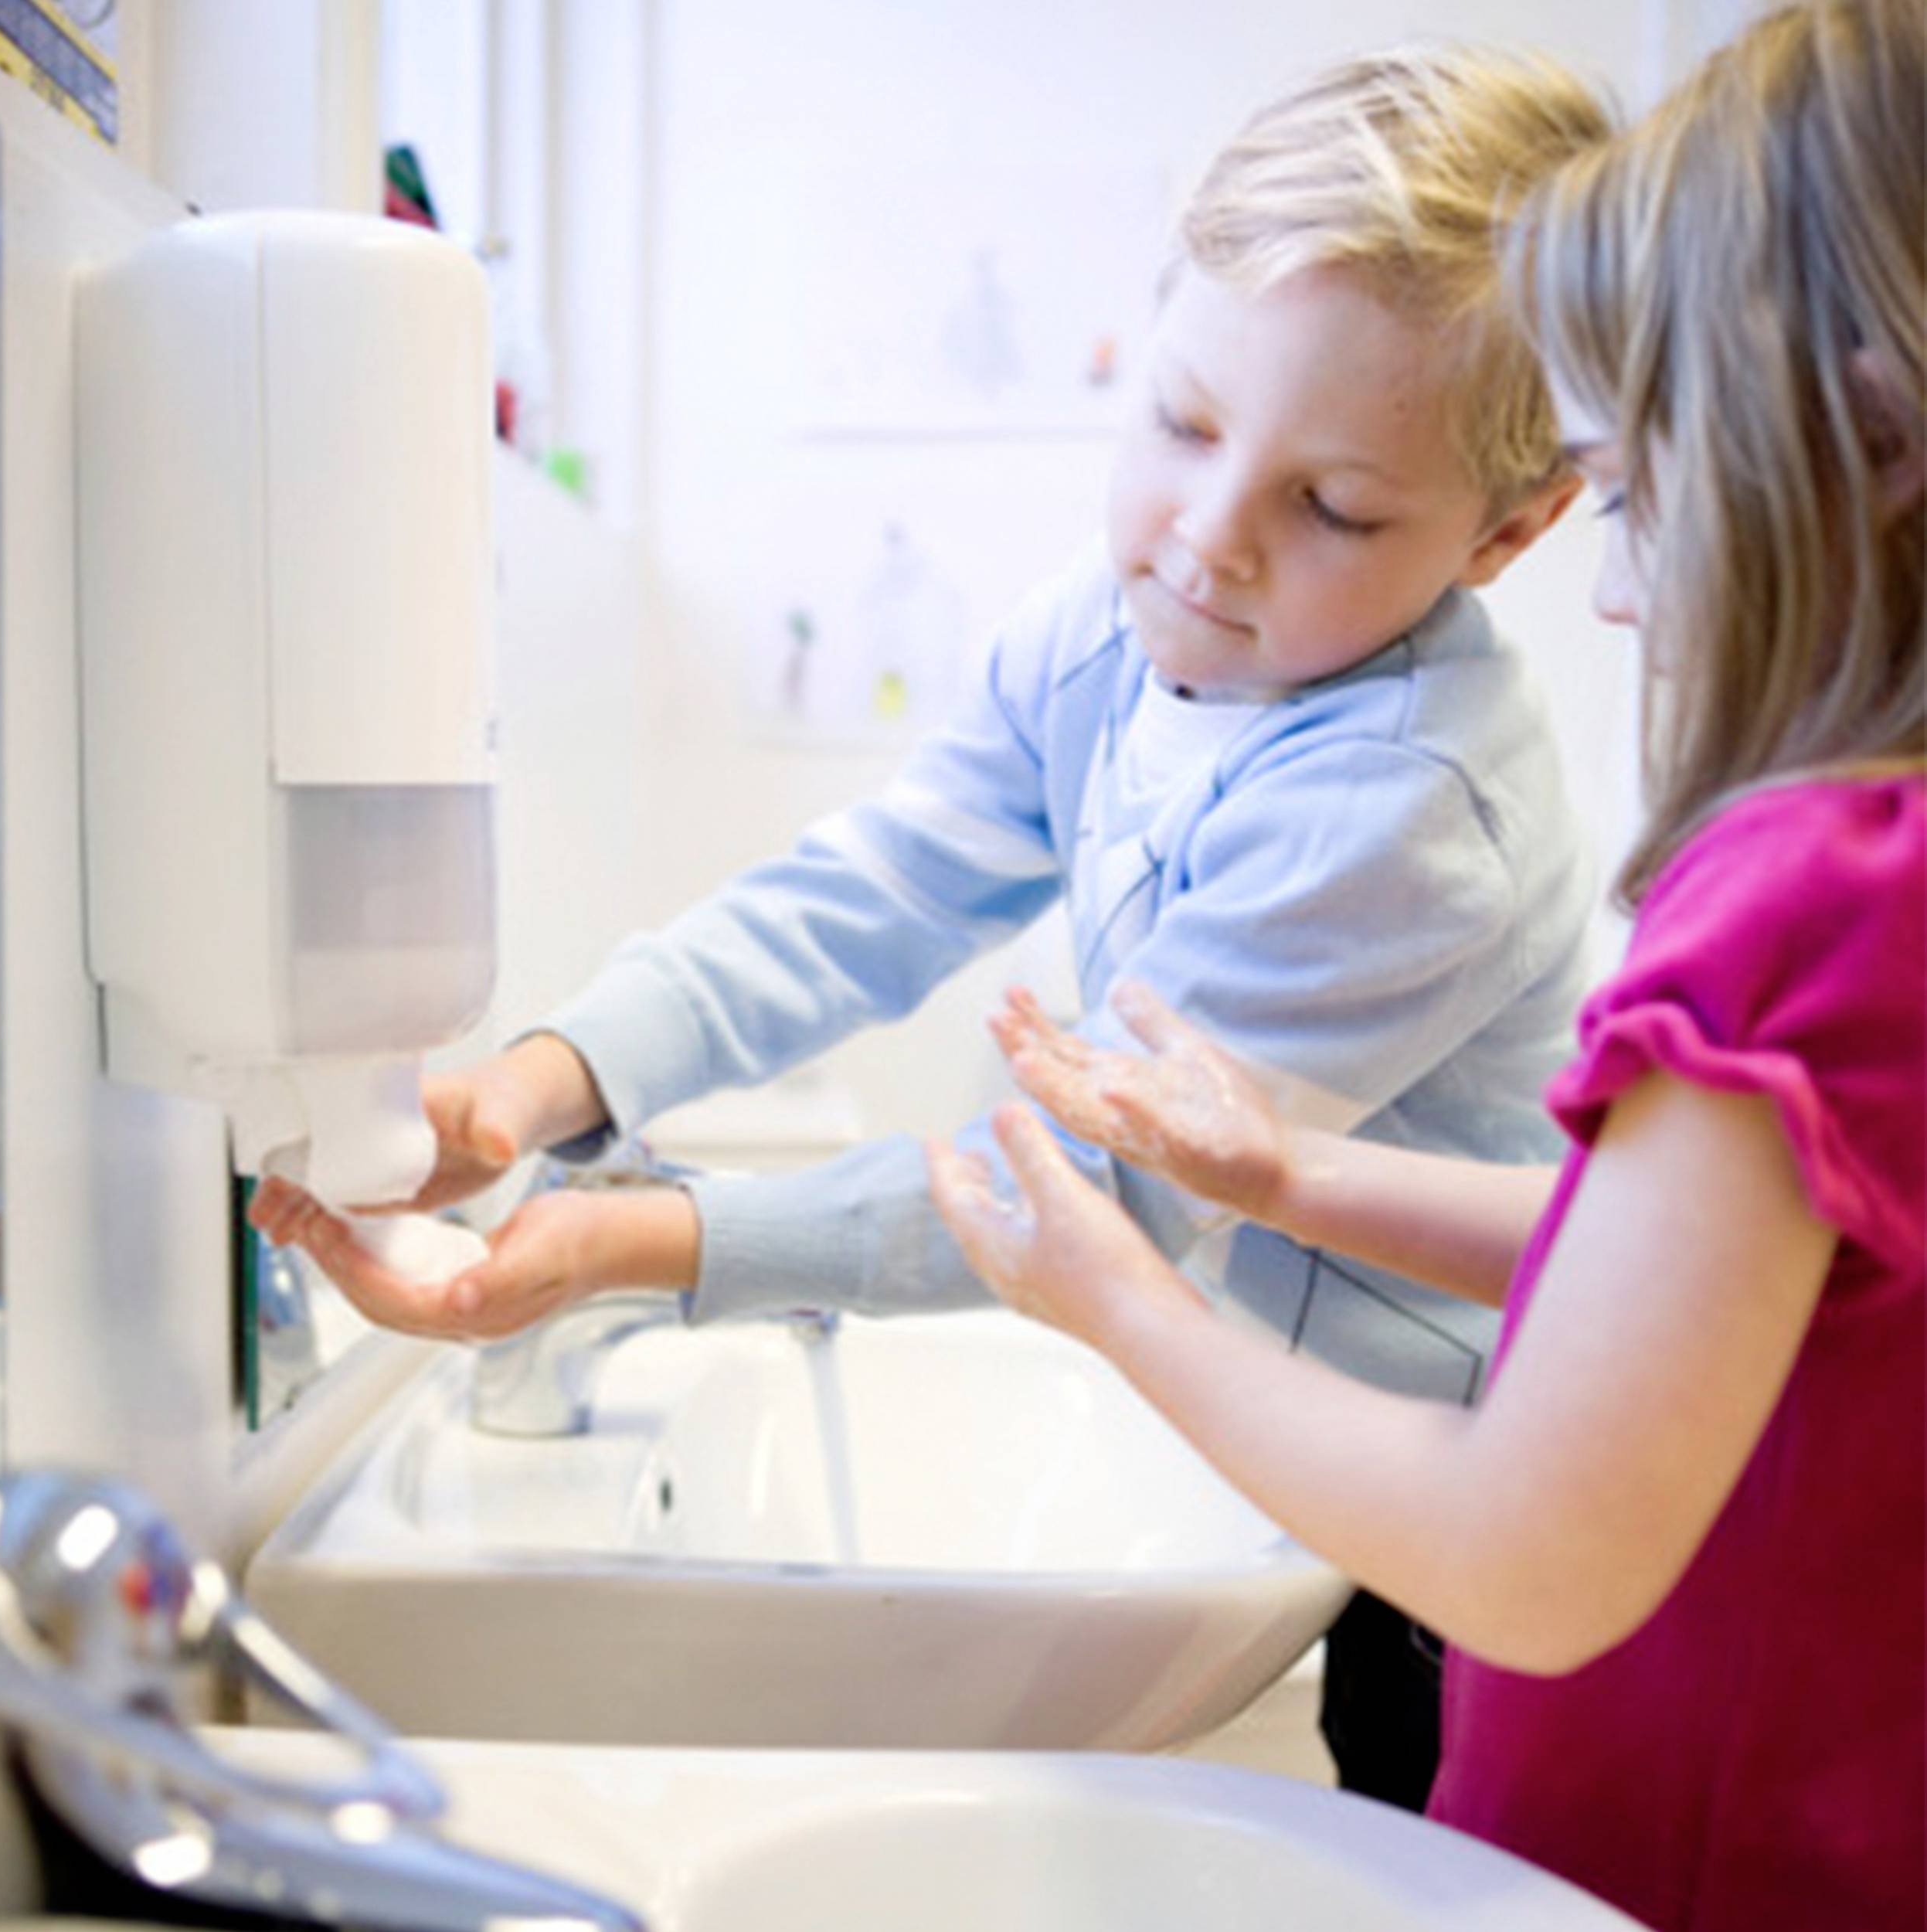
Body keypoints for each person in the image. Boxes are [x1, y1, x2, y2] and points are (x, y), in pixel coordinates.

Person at [252, 46, 1612, 1807]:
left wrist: (630, 1241)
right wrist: (546, 1074)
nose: (1205, 540)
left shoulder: (1409, 808)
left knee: (1441, 1834)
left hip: (1464, 1492)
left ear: (1507, 532)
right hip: (1303, 1440)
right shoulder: (1104, 631)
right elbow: (878, 890)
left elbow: (1082, 1190)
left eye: (1331, 506)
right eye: (1184, 423)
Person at [926, 3, 1924, 1926]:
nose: (1619, 586)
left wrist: (1121, 1297)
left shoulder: (1807, 895)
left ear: (1866, 445)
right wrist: (1286, 1176)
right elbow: (1708, 1286)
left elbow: (1524, 1551)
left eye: (1631, 495)